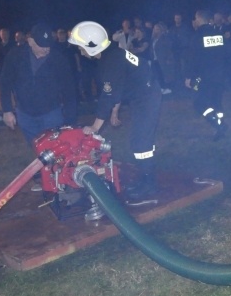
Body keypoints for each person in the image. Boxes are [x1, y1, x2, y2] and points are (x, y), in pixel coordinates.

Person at [69, 20, 162, 204]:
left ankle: (149, 183)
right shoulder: (111, 56)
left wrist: (95, 127)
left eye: (81, 46)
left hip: (147, 97)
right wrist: (114, 113)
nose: (79, 50)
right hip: (142, 95)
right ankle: (145, 178)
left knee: (141, 142)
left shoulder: (110, 61)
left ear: (92, 45)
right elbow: (118, 87)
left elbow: (108, 95)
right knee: (138, 141)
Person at [0, 23, 77, 158]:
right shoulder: (16, 55)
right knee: (37, 148)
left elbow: (69, 90)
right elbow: (5, 82)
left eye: (48, 45)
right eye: (42, 46)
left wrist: (70, 119)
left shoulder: (58, 59)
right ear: (30, 41)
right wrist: (7, 110)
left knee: (55, 149)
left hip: (51, 113)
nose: (46, 49)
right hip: (25, 114)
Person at [184, 10, 228, 140]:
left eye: (195, 19)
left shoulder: (197, 36)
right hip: (220, 74)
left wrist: (188, 77)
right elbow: (226, 53)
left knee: (198, 103)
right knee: (217, 102)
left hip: (203, 76)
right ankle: (219, 127)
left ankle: (218, 125)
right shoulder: (218, 34)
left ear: (199, 19)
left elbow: (192, 58)